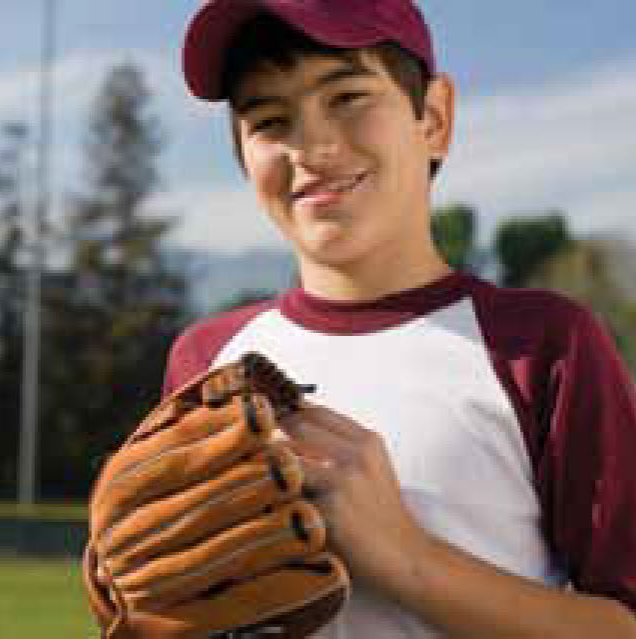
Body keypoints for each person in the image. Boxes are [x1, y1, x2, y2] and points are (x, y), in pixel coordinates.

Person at [83, 0, 636, 636]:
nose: (311, 146)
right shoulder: (207, 358)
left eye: (347, 95)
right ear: (241, 154)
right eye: (268, 119)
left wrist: (407, 558)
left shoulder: (540, 344)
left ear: (432, 118)